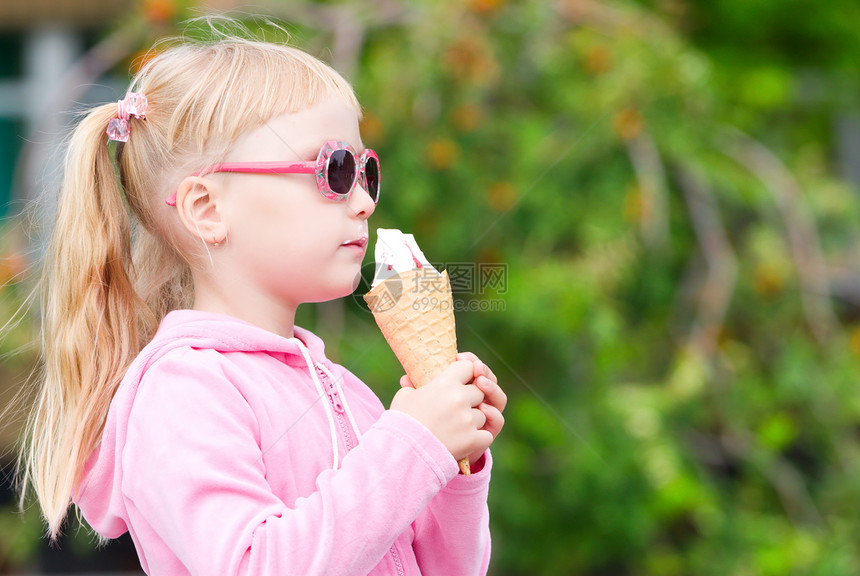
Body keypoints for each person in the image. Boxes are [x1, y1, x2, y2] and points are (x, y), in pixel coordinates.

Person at [19, 29, 506, 575]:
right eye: (334, 170)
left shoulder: (352, 396)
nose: (365, 200)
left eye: (366, 170)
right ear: (207, 209)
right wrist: (412, 444)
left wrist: (454, 464)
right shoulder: (184, 391)